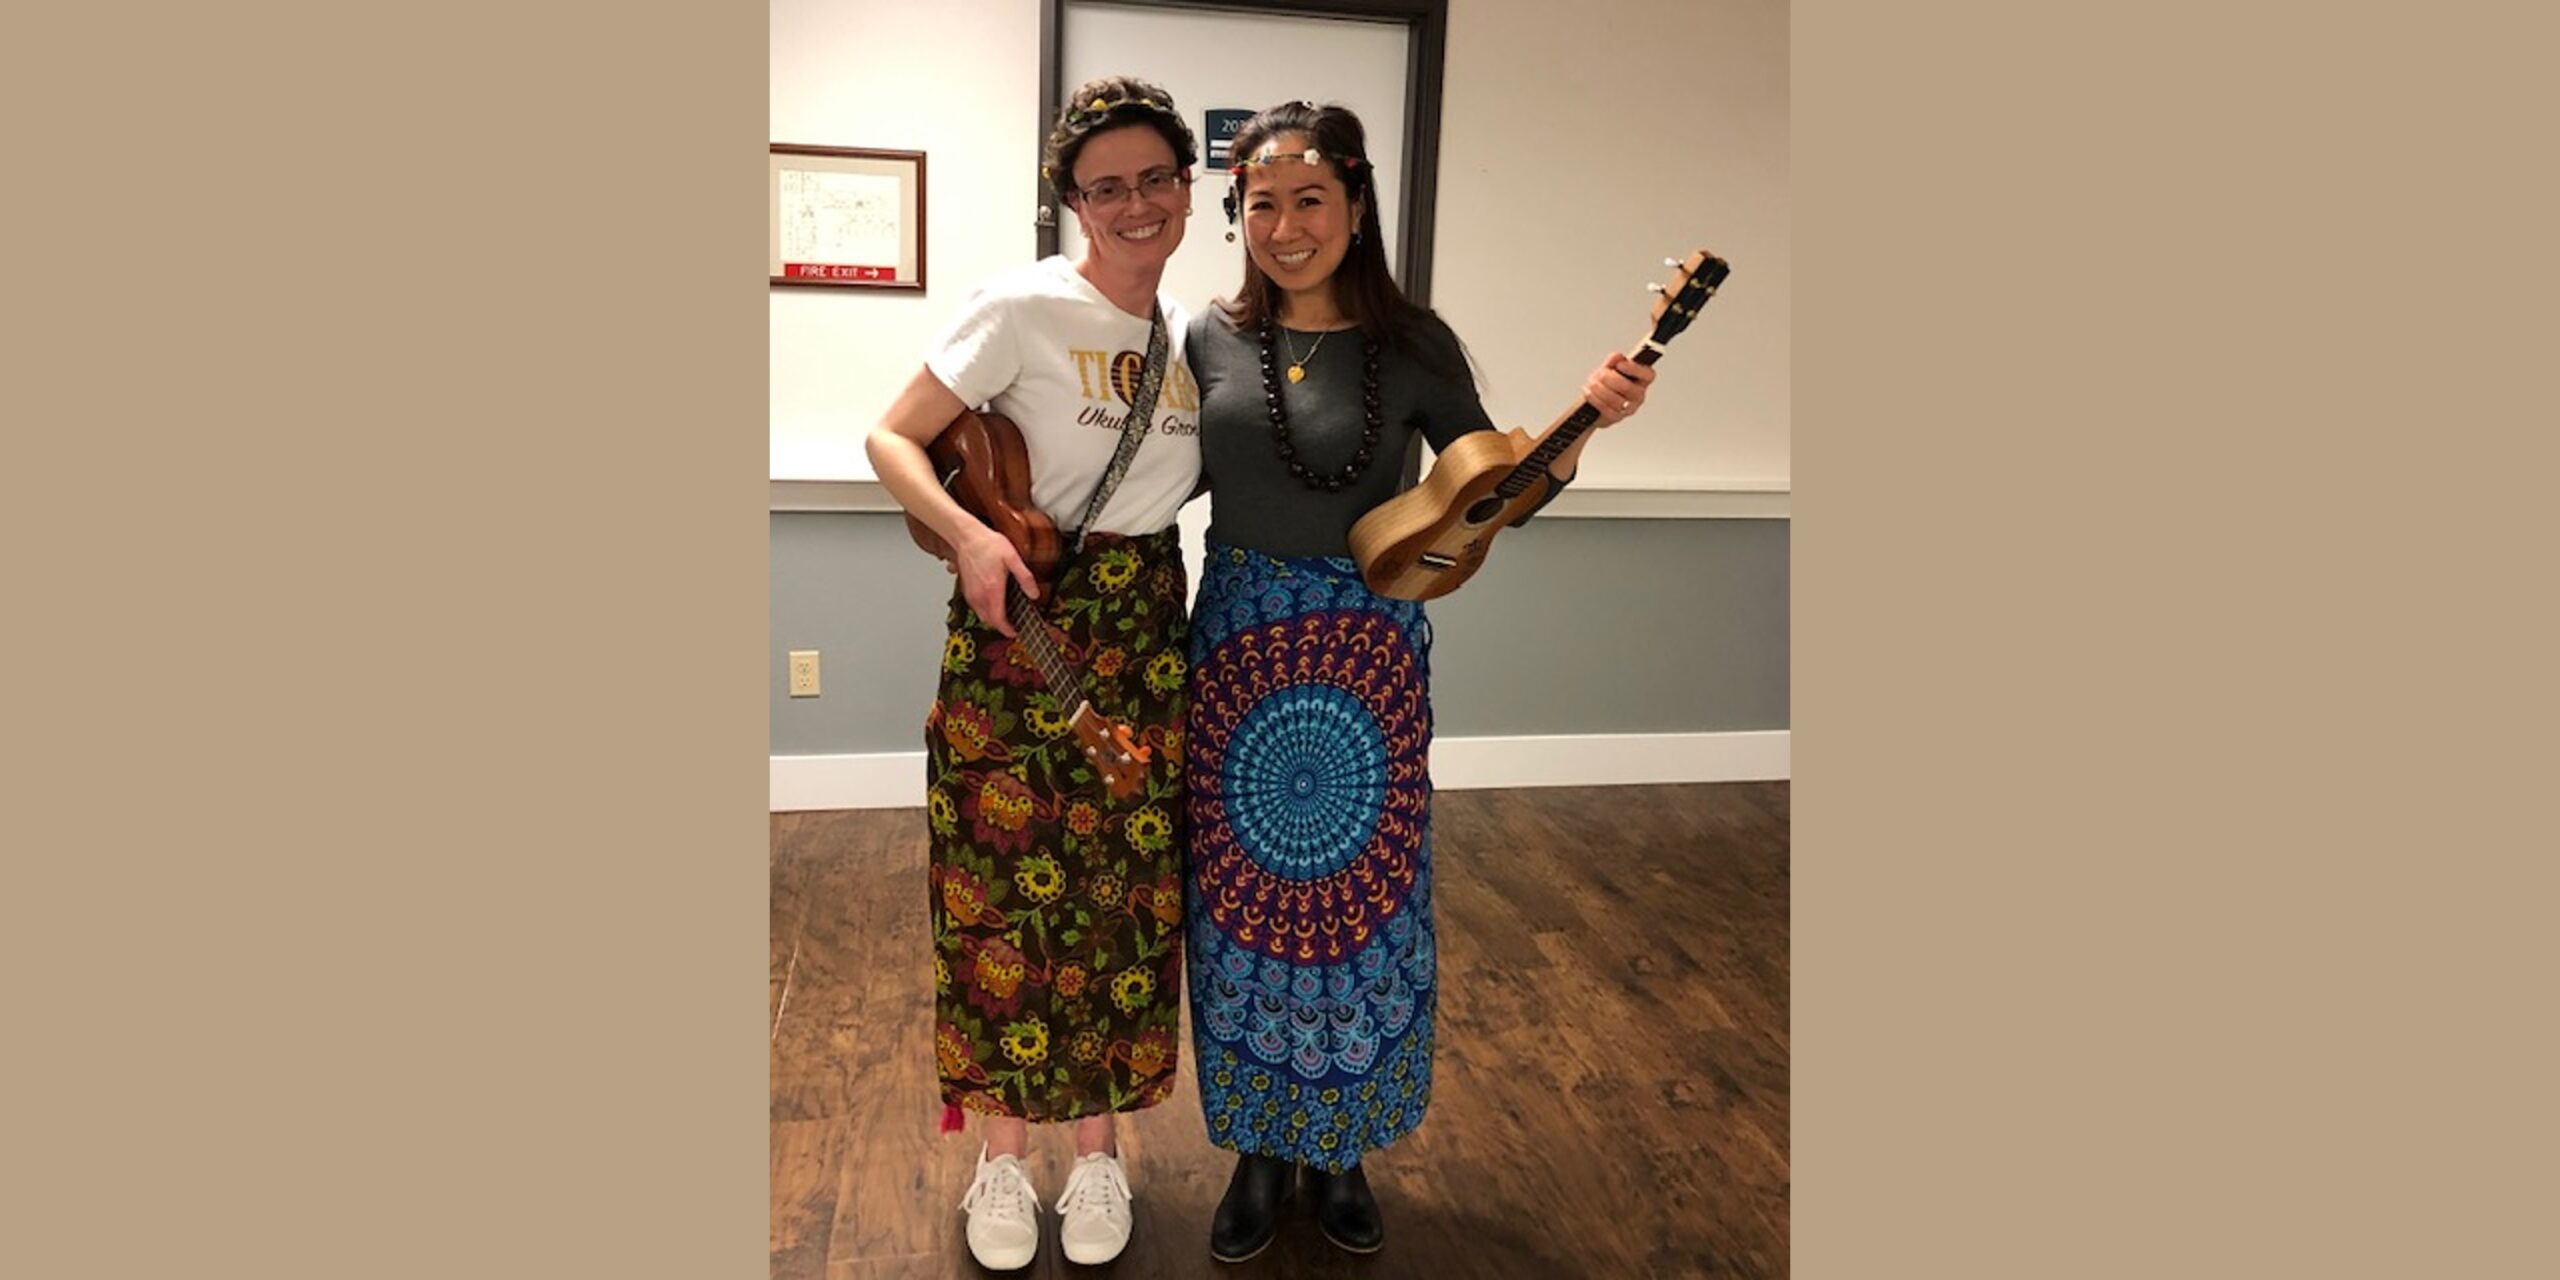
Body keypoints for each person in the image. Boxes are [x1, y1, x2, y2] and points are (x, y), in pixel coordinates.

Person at [1180, 100, 1656, 1263]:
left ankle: (1340, 1145)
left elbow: (1498, 491)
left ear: (1355, 205)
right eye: (1259, 204)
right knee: (1240, 911)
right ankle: (1258, 1148)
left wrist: (1586, 424)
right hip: (1238, 647)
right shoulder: (1203, 338)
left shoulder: (1416, 343)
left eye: (1308, 200)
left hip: (1369, 655)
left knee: (1364, 910)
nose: (1283, 227)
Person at [863, 75, 1205, 1272]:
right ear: (1073, 202)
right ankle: (1002, 1157)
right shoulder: (1019, 306)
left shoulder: (1192, 339)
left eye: (1154, 178)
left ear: (1187, 187)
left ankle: (1099, 1151)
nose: (1134, 204)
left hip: (1144, 626)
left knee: (1125, 892)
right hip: (1020, 616)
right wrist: (968, 538)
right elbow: (892, 435)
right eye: (1106, 187)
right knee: (995, 888)